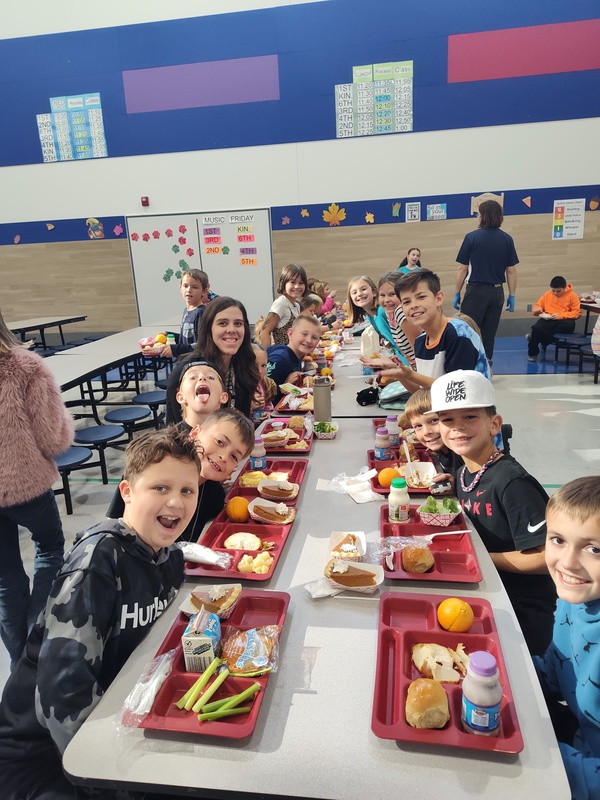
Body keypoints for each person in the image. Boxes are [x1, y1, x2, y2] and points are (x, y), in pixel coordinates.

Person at [0, 426, 203, 799]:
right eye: (161, 488)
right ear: (126, 491)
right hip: (42, 754)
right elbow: (62, 699)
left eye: (187, 490)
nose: (175, 502)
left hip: (113, 712)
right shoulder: (97, 563)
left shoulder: (171, 558)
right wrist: (118, 784)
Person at [429, 369, 556, 655]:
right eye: (448, 419)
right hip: (484, 589)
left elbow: (548, 557)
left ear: (494, 424)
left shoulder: (512, 483)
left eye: (470, 417)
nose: (458, 427)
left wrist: (483, 558)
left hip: (519, 612)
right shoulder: (465, 471)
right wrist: (454, 488)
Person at [0, 310, 74, 669]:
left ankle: (17, 663)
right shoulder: (26, 368)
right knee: (50, 548)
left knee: (5, 578)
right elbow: (53, 438)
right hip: (26, 484)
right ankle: (35, 645)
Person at [534, 476, 600, 800]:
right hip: (574, 742)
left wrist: (538, 762)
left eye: (595, 549)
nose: (569, 563)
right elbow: (554, 671)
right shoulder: (574, 596)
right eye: (558, 540)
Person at [108, 405, 255, 542]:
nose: (223, 456)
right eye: (219, 442)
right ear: (195, 433)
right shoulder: (152, 468)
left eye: (234, 457)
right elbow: (111, 527)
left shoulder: (214, 495)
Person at [364, 270, 490, 393]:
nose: (413, 305)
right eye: (407, 302)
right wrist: (398, 373)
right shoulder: (420, 342)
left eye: (421, 297)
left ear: (438, 298)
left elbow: (454, 390)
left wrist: (410, 375)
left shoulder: (458, 334)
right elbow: (421, 391)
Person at [166, 297, 260, 424]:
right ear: (208, 328)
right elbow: (174, 432)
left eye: (238, 323)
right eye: (222, 323)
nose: (232, 330)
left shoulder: (243, 366)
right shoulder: (185, 374)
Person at [454, 199, 518, 364]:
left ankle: (468, 363)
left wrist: (457, 292)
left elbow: (463, 269)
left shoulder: (471, 238)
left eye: (479, 213)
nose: (477, 216)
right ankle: (486, 364)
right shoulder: (507, 239)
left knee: (469, 329)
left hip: (476, 291)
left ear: (483, 216)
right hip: (497, 292)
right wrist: (512, 294)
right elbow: (511, 270)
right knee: (489, 332)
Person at [402, 388, 462, 475]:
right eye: (418, 426)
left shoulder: (460, 454)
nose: (426, 432)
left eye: (434, 421)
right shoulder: (440, 450)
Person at [266, 315, 321, 401]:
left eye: (314, 337)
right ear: (290, 334)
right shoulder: (280, 358)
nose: (309, 340)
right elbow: (261, 390)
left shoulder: (298, 355)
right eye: (304, 334)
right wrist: (285, 385)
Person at [527, 275, 581, 361]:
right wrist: (537, 310)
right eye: (553, 291)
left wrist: (561, 315)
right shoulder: (547, 294)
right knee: (536, 328)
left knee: (569, 325)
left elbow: (576, 313)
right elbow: (537, 306)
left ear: (564, 288)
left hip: (564, 320)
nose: (555, 293)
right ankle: (533, 354)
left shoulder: (572, 296)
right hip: (548, 318)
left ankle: (540, 338)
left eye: (558, 291)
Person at [162, 269, 210, 358]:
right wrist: (170, 336)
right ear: (180, 288)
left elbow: (203, 345)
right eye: (185, 286)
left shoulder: (201, 313)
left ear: (204, 291)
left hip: (197, 362)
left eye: (194, 287)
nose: (189, 290)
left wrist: (176, 349)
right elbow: (188, 339)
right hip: (185, 360)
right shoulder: (186, 311)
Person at [377, 271, 420, 366]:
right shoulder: (390, 313)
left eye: (392, 294)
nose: (386, 300)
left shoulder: (401, 312)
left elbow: (419, 349)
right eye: (382, 295)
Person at [260, 263, 308, 347]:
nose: (297, 286)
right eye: (292, 282)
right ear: (283, 283)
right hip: (280, 355)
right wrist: (268, 357)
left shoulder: (296, 305)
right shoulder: (281, 303)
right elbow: (264, 332)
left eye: (301, 283)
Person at [251, 343, 277, 423]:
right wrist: (250, 406)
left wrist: (267, 414)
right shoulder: (240, 386)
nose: (259, 371)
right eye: (254, 366)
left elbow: (269, 408)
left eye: (263, 365)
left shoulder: (265, 384)